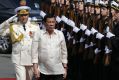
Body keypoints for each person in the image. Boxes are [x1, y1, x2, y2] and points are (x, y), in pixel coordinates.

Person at [32, 14, 68, 80]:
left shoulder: (60, 34)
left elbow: (64, 52)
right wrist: (35, 68)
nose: (51, 24)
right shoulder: (38, 34)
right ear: (45, 23)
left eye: (53, 22)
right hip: (43, 70)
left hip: (58, 70)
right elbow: (34, 53)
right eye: (49, 22)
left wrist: (65, 68)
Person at [9, 6, 40, 80]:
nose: (24, 17)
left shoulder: (35, 26)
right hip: (18, 58)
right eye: (21, 15)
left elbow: (39, 43)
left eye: (25, 15)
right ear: (18, 16)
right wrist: (9, 20)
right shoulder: (13, 26)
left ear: (28, 15)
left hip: (31, 58)